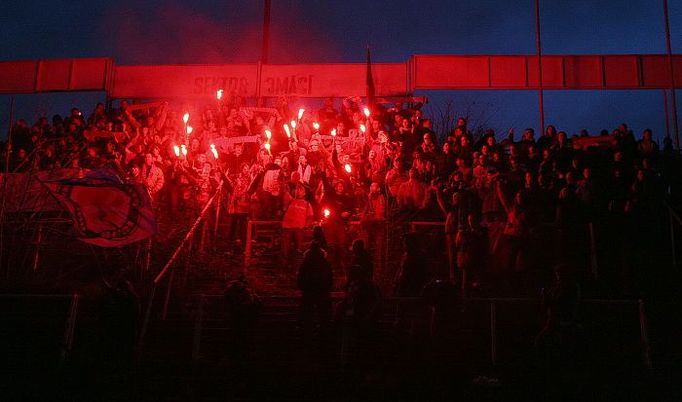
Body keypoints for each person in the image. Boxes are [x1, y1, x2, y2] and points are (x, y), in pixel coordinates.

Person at [297, 240, 334, 332]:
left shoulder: (306, 262)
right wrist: (328, 286)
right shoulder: (324, 262)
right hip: (322, 289)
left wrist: (301, 286)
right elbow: (329, 275)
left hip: (309, 289)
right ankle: (323, 328)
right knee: (323, 310)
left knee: (307, 309)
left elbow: (301, 275)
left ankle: (306, 327)